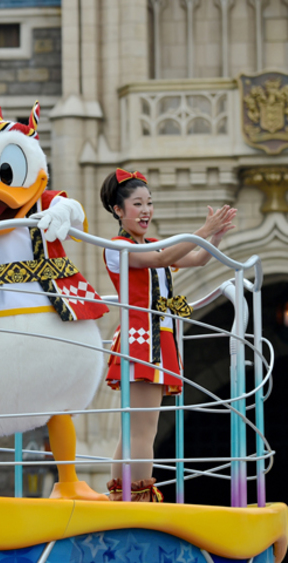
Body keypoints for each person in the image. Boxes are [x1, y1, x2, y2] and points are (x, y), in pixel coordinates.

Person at [99, 168, 236, 502]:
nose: (146, 210)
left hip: (157, 340)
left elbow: (197, 259)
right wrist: (201, 230)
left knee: (135, 430)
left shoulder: (156, 245)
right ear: (118, 210)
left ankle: (122, 497)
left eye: (149, 203)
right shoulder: (116, 246)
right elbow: (158, 259)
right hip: (142, 340)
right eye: (137, 204)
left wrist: (213, 237)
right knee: (142, 430)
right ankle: (139, 500)